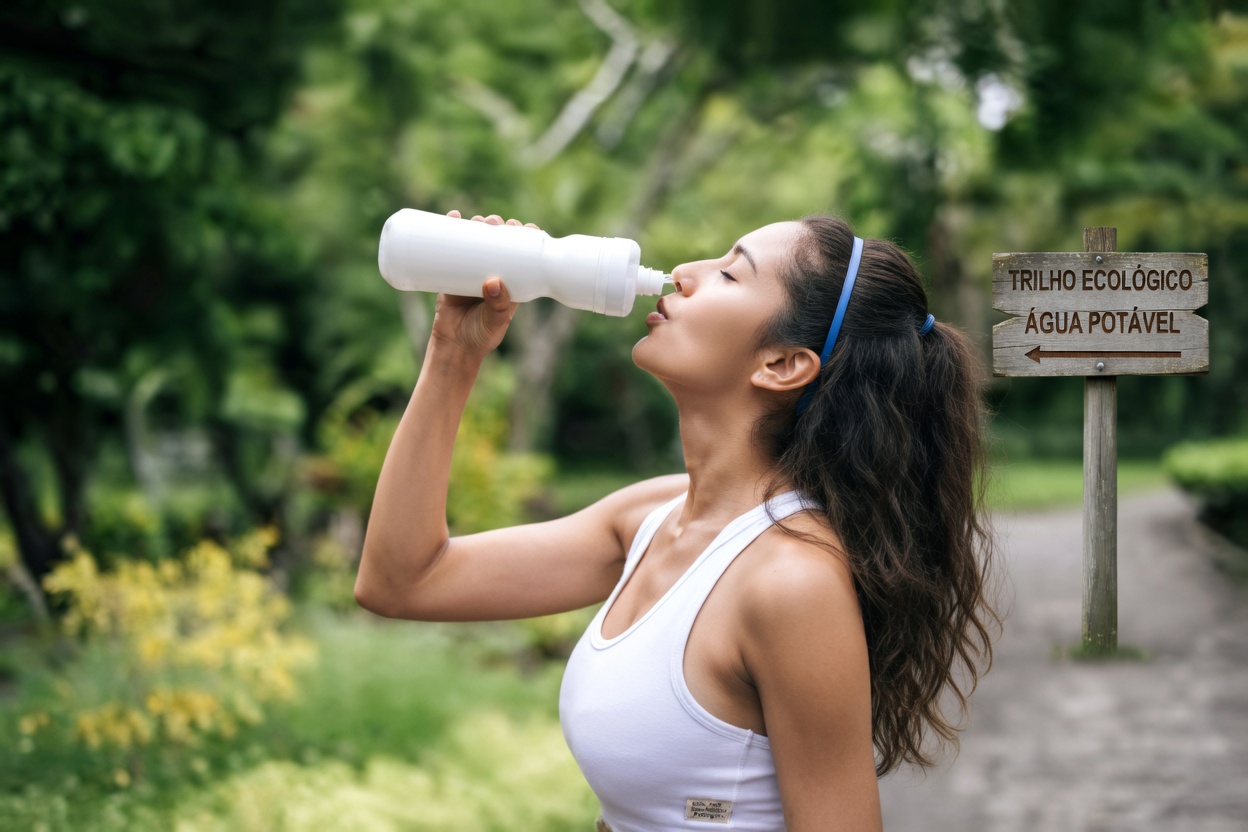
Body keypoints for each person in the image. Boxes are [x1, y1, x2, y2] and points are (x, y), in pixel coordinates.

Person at [355, 210, 1000, 832]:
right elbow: (404, 580)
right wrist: (453, 353)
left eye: (729, 273)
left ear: (781, 364)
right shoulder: (649, 517)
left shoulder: (790, 581)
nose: (686, 272)